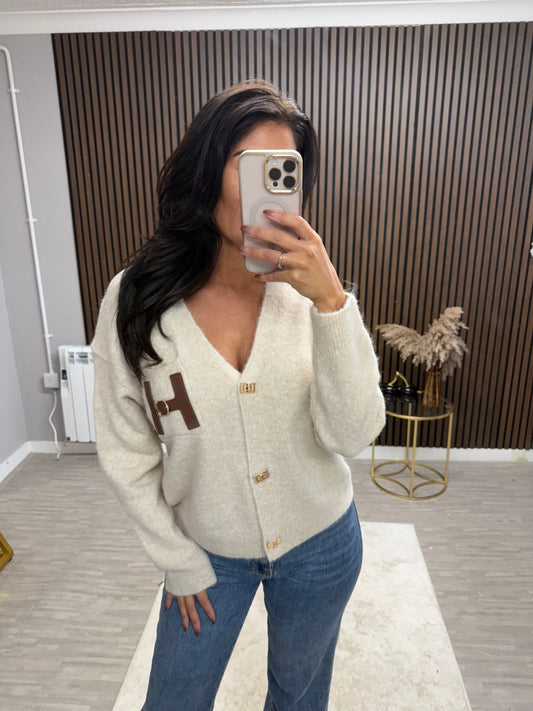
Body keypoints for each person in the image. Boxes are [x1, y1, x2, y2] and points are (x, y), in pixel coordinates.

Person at [92, 80, 385, 711]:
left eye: (283, 171)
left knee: (298, 695)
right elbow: (125, 450)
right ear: (206, 173)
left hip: (322, 544)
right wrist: (177, 560)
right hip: (207, 552)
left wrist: (332, 303)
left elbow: (353, 434)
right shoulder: (136, 299)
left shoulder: (311, 296)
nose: (265, 192)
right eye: (248, 166)